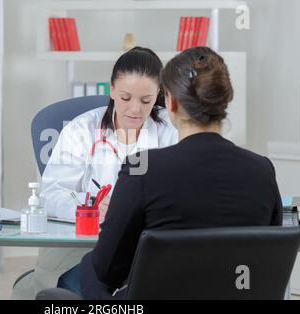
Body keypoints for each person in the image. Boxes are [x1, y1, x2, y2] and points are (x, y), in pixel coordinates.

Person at [57, 46, 283, 299]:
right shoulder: (263, 170)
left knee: (90, 269)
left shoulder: (141, 168)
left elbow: (106, 269)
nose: (135, 108)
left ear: (168, 101)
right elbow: (267, 257)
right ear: (225, 101)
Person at [11, 47, 179, 299]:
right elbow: (52, 195)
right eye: (125, 97)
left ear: (158, 94)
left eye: (145, 100)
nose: (135, 109)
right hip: (85, 249)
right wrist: (90, 207)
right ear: (111, 89)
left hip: (149, 248)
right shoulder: (81, 130)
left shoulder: (172, 130)